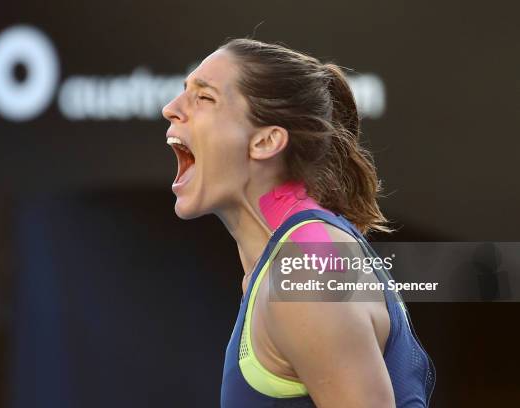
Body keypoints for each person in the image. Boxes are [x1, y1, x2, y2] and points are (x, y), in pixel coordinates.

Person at [162, 38, 435, 407]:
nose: (170, 109)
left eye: (205, 97)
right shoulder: (286, 264)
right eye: (184, 93)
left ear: (265, 141)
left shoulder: (306, 273)